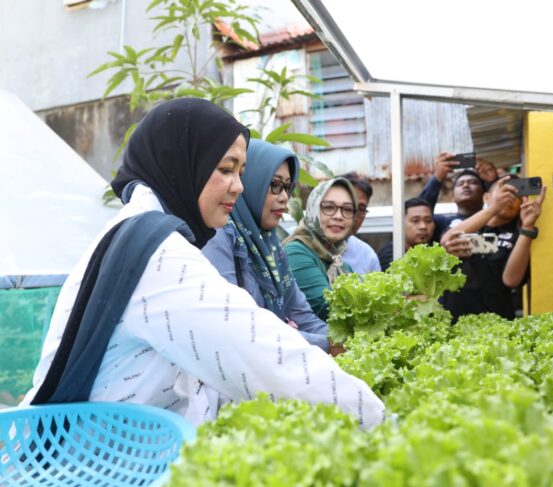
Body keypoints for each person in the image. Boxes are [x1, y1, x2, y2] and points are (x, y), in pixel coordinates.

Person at [21, 98, 384, 429]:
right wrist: (384, 422)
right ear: (182, 164)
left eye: (241, 171)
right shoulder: (158, 254)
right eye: (226, 169)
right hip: (99, 462)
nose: (239, 186)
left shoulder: (137, 230)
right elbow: (262, 355)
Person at [202, 140, 329, 352]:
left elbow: (302, 315)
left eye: (288, 187)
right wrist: (326, 345)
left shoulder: (271, 247)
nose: (284, 197)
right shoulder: (218, 237)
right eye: (275, 184)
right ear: (250, 182)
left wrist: (346, 344)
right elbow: (243, 329)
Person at [439, 175, 547, 321]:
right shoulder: (465, 223)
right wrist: (494, 209)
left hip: (496, 322)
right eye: (504, 192)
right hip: (454, 318)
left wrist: (527, 227)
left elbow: (511, 280)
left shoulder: (519, 235)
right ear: (487, 198)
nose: (510, 198)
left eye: (517, 195)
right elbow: (446, 241)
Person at [283, 177, 357, 321]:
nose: (338, 216)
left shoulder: (341, 265)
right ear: (313, 208)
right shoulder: (295, 252)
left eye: (347, 209)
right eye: (329, 207)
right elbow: (326, 308)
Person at [419, 152, 497, 242]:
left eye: (472, 182)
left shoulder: (495, 220)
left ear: (485, 195)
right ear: (452, 196)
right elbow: (418, 210)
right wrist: (437, 178)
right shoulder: (440, 223)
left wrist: (493, 182)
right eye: (460, 184)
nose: (466, 185)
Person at [377, 197, 435, 271]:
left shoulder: (436, 250)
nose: (423, 226)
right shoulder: (390, 253)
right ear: (400, 224)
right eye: (415, 221)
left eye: (428, 221)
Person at [339, 171, 380, 274]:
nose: (353, 215)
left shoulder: (368, 257)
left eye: (361, 208)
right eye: (347, 207)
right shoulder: (297, 242)